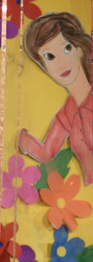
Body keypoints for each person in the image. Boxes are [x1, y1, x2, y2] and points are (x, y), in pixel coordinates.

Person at [17, 11, 92, 185]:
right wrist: (21, 138)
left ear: (80, 48)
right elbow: (47, 153)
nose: (61, 64)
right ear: (44, 66)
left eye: (67, 48)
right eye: (49, 56)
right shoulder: (69, 111)